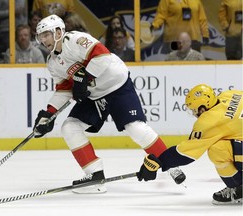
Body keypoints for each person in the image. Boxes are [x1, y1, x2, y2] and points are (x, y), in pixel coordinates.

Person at [33, 14, 186, 194]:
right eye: (41, 36)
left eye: (46, 34)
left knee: (135, 128)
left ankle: (170, 162)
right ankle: (94, 176)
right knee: (69, 127)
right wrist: (49, 114)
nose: (43, 40)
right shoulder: (52, 62)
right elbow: (64, 88)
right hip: (95, 95)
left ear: (59, 31)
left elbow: (102, 56)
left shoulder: (76, 40)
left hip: (117, 85)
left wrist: (84, 78)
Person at [137, 84, 242, 205]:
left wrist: (157, 162)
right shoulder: (231, 94)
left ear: (202, 108)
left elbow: (185, 153)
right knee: (225, 145)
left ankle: (238, 189)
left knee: (217, 150)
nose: (193, 113)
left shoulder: (209, 121)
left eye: (194, 110)